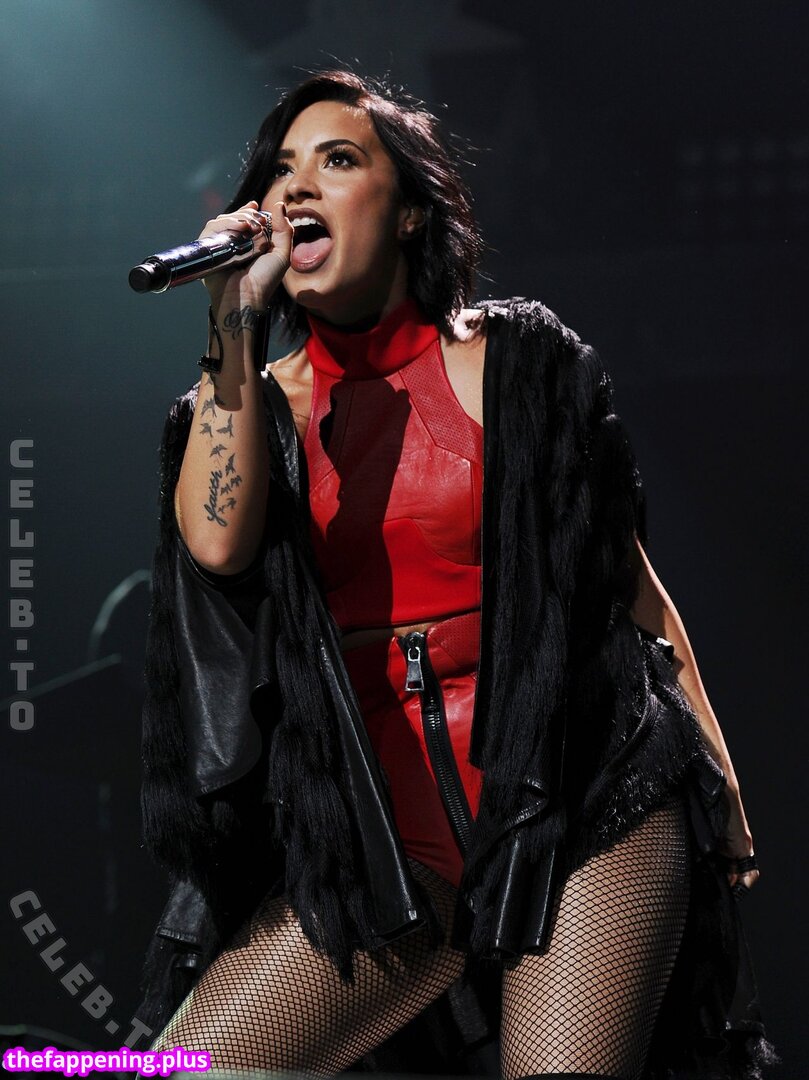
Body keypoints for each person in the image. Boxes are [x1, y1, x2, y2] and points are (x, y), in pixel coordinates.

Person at [136, 70, 778, 1079]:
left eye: (336, 161)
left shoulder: (518, 363)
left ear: (408, 212)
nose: (295, 189)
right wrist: (231, 319)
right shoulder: (237, 405)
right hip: (383, 840)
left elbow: (631, 591)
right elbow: (217, 548)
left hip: (581, 798)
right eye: (279, 171)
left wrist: (721, 785)